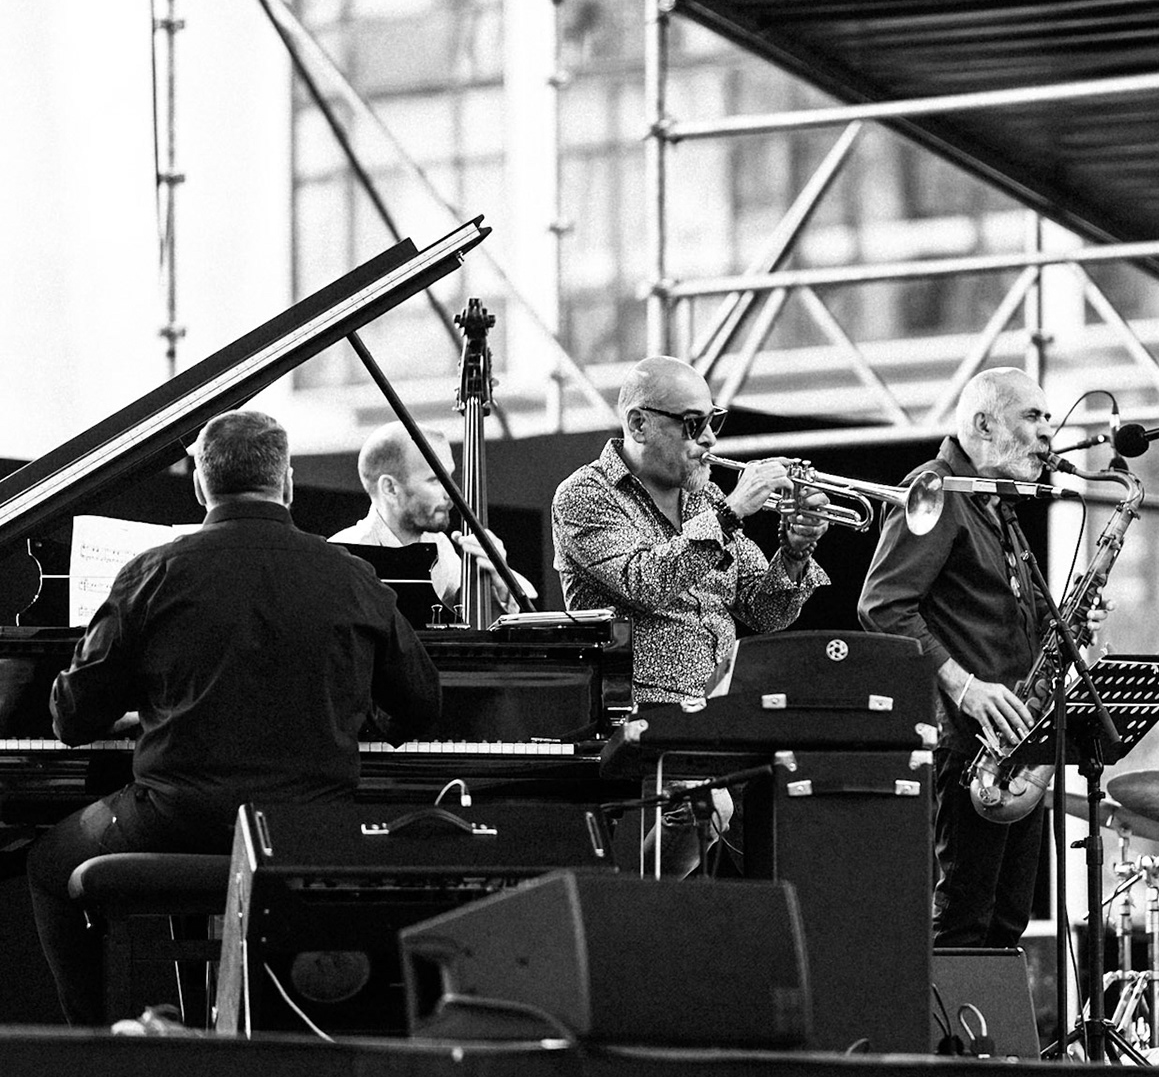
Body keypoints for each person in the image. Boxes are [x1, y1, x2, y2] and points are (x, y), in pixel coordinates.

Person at [27, 410, 441, 1025]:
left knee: (46, 864)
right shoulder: (353, 576)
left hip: (175, 819)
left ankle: (101, 1043)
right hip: (308, 822)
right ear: (289, 484)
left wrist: (144, 706)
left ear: (200, 487)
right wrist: (352, 718)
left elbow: (70, 719)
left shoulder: (152, 573)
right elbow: (423, 708)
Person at [550, 355, 830, 875]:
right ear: (639, 424)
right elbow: (645, 583)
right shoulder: (585, 495)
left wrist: (793, 553)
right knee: (705, 806)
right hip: (640, 715)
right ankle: (626, 905)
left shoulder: (703, 493)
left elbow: (762, 611)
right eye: (693, 425)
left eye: (712, 423)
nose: (710, 442)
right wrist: (728, 518)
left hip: (722, 712)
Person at [858, 367, 1058, 949]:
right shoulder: (936, 491)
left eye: (1047, 418)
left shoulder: (996, 505)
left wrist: (1063, 626)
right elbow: (882, 605)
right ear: (983, 424)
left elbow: (1002, 613)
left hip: (1016, 743)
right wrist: (966, 686)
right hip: (968, 745)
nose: (1048, 433)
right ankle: (946, 1042)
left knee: (1005, 923)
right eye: (1033, 416)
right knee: (964, 922)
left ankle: (995, 1042)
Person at [330, 421, 537, 613]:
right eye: (435, 480)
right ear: (391, 488)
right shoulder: (343, 559)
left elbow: (468, 615)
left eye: (449, 477)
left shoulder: (438, 545)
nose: (451, 493)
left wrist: (497, 579)